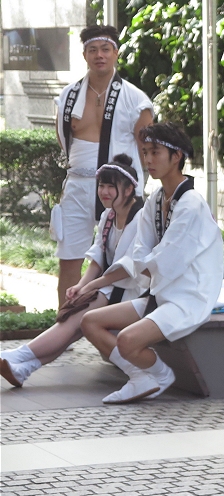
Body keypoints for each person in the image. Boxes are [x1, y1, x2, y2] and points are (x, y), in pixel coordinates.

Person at [81, 123, 224, 404]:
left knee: (127, 339)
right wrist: (147, 263)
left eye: (155, 152)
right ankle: (142, 376)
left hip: (189, 297)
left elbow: (167, 260)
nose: (148, 159)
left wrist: (146, 263)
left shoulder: (192, 204)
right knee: (90, 322)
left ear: (176, 156)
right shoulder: (156, 199)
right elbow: (140, 252)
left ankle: (158, 374)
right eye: (145, 152)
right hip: (160, 293)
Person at [0, 155, 147, 388]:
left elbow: (130, 268)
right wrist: (81, 285)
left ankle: (19, 355)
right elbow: (98, 257)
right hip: (110, 289)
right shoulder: (108, 215)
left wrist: (91, 286)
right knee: (73, 326)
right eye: (101, 185)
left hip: (133, 292)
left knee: (72, 322)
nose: (104, 192)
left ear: (129, 189)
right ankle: (23, 368)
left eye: (111, 186)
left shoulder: (141, 218)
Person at [53, 24, 154, 307]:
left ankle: (115, 319)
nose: (100, 55)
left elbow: (146, 148)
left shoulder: (135, 98)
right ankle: (65, 321)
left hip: (120, 187)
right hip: (77, 184)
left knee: (123, 257)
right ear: (84, 55)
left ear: (116, 53)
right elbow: (63, 139)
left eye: (106, 49)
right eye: (93, 50)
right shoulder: (68, 96)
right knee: (69, 257)